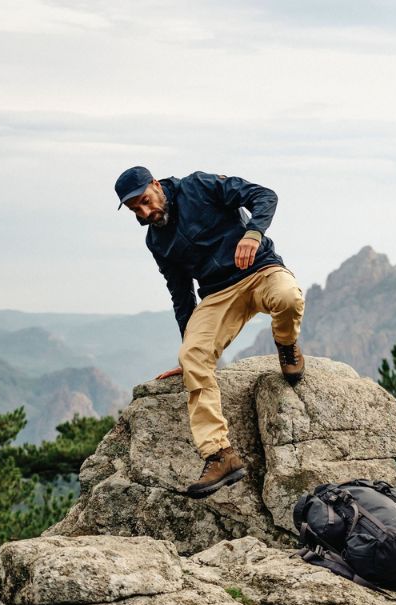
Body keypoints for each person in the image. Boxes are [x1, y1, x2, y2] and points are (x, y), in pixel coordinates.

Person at [115, 166, 306, 499]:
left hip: (260, 269)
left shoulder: (198, 186)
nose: (145, 213)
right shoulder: (157, 240)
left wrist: (253, 232)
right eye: (136, 210)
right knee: (192, 356)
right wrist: (191, 352)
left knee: (288, 297)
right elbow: (180, 294)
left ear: (156, 185)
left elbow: (264, 195)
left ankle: (287, 346)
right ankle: (220, 454)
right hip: (219, 295)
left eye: (145, 201)